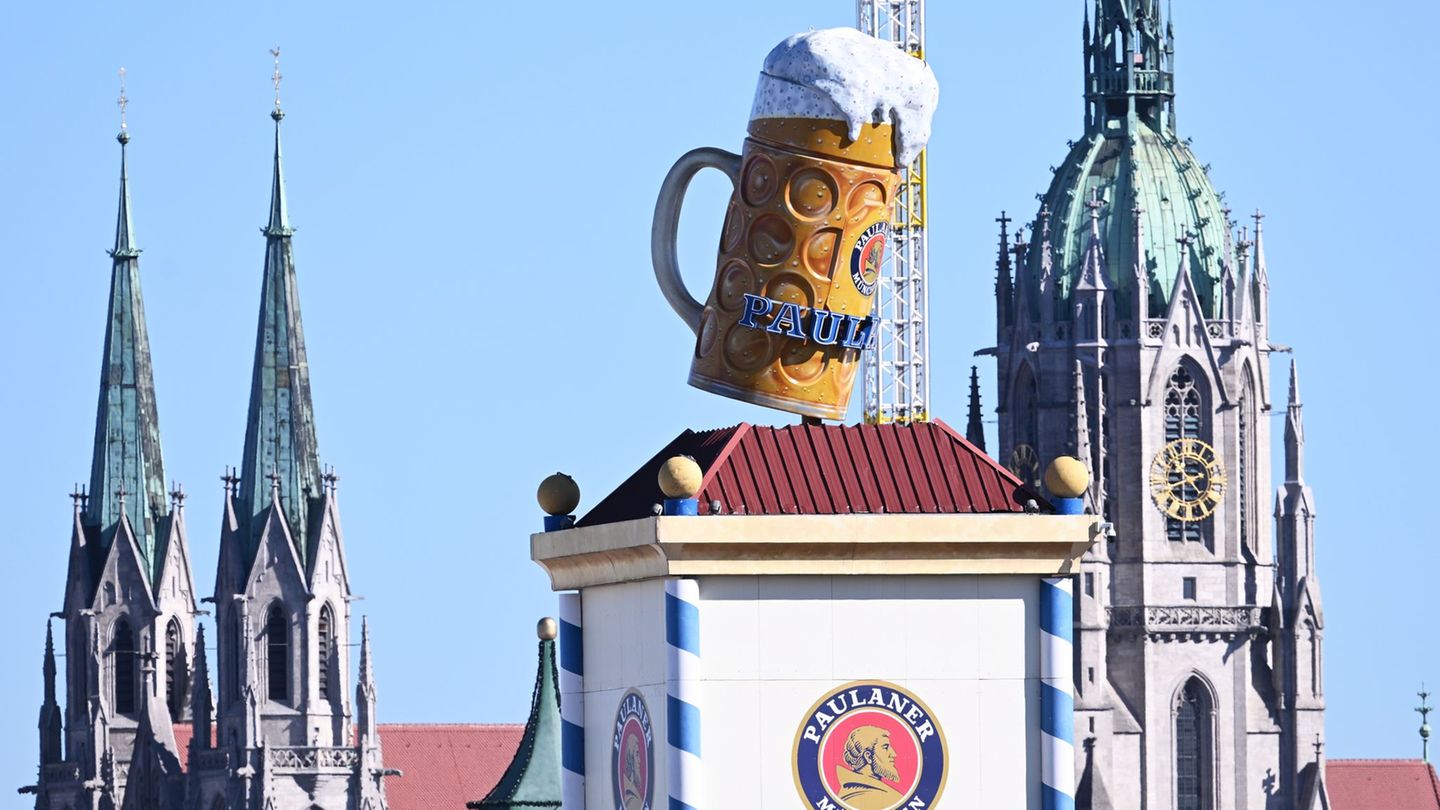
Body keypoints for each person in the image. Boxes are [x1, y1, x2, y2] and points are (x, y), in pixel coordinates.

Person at [835, 726, 905, 810]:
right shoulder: (870, 796)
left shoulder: (849, 792)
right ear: (868, 756)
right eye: (885, 747)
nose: (893, 754)